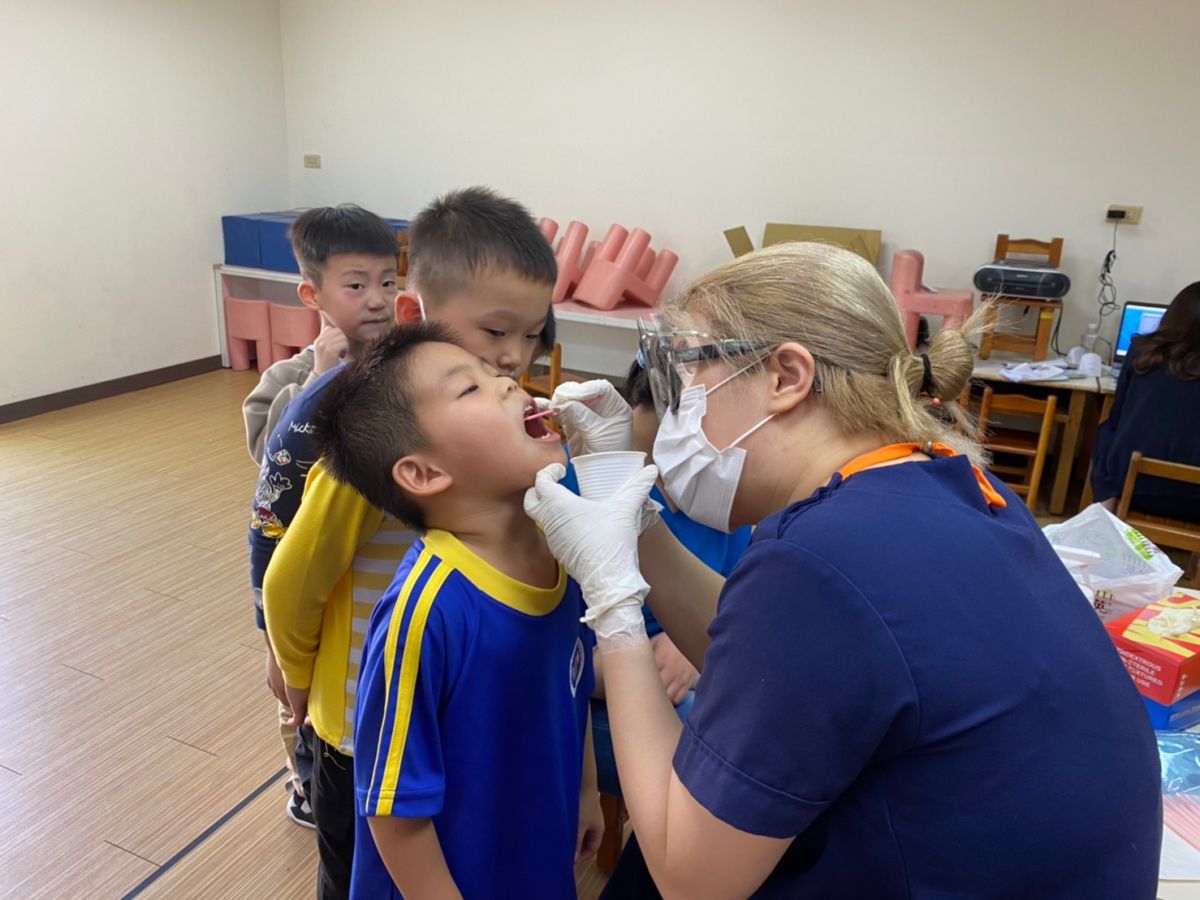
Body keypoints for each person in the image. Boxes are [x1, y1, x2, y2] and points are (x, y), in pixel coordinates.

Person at [526, 242, 1162, 898]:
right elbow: (775, 665)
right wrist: (633, 516)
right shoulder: (947, 483)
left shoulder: (819, 559)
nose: (673, 411)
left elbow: (692, 880)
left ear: (786, 376)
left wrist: (615, 606)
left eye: (687, 374)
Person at [261, 186, 559, 900]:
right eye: (494, 332)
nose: (514, 357)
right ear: (413, 316)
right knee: (357, 875)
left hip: (442, 714)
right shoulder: (373, 452)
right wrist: (296, 677)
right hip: (359, 726)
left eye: (532, 335)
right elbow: (290, 580)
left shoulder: (506, 442)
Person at [309, 323, 602, 899]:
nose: (509, 383)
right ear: (423, 473)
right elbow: (392, 809)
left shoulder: (561, 551)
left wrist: (586, 789)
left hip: (533, 856)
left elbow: (573, 683)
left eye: (495, 374)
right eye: (470, 388)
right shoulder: (424, 611)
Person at [246, 204, 401, 829]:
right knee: (295, 688)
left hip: (362, 557)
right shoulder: (290, 374)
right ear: (313, 294)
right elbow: (269, 450)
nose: (378, 299)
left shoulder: (399, 362)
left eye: (388, 281)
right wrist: (318, 377)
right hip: (297, 555)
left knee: (351, 669)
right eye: (356, 285)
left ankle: (345, 768)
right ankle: (305, 782)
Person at [1091, 281, 1200, 522]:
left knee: (1108, 429)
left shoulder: (1142, 351)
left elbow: (1119, 415)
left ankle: (1106, 508)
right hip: (1196, 498)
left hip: (1136, 487)